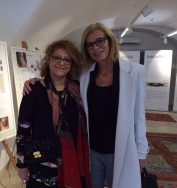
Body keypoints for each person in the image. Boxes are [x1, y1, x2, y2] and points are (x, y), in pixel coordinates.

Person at [23, 22, 149, 188]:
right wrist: (35, 81)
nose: (95, 48)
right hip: (91, 151)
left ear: (109, 41)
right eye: (89, 45)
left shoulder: (135, 72)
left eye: (99, 41)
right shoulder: (84, 74)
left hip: (120, 150)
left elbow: (139, 117)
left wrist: (141, 153)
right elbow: (59, 79)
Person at [16, 40, 90, 188]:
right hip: (42, 165)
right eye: (57, 57)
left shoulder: (78, 90)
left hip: (73, 161)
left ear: (71, 63)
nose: (61, 63)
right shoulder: (34, 90)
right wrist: (21, 165)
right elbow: (23, 131)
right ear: (48, 59)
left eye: (67, 59)